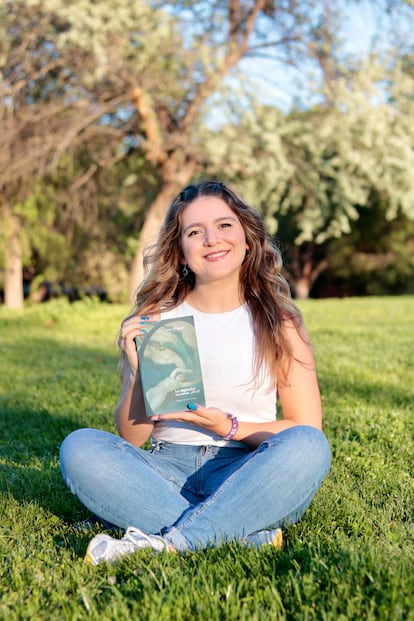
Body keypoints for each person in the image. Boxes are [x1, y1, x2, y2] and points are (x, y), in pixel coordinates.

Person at [60, 180, 331, 565]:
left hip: (249, 468)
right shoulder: (155, 319)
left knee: (309, 448)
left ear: (247, 239)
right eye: (195, 231)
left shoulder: (279, 322)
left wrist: (231, 428)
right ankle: (241, 530)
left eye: (224, 225)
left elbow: (306, 429)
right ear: (182, 252)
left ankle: (169, 540)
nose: (212, 239)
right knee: (80, 448)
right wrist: (139, 374)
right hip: (167, 467)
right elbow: (131, 437)